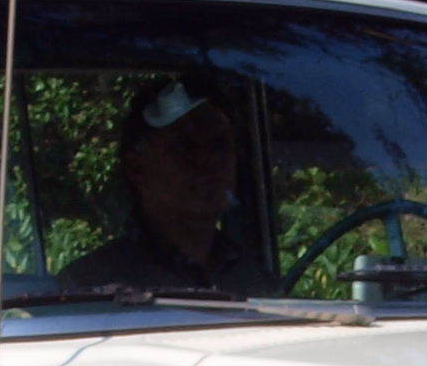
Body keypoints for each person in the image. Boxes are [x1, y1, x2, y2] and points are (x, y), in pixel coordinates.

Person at [58, 80, 279, 296]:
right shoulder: (91, 287)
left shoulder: (257, 283)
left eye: (219, 144)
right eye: (185, 147)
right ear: (137, 168)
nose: (208, 160)